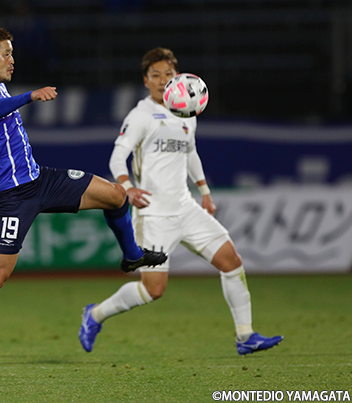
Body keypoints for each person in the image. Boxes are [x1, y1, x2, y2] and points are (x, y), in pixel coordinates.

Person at [0, 27, 167, 378]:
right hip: (10, 197)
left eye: (12, 53)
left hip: (41, 179)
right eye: (6, 54)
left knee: (116, 195)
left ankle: (132, 255)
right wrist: (29, 96)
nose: (12, 60)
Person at [78, 47, 283, 356]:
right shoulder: (140, 115)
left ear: (177, 77)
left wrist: (204, 191)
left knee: (231, 262)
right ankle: (95, 315)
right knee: (153, 289)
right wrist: (127, 188)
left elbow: (190, 152)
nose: (163, 80)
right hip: (154, 215)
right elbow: (118, 156)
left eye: (168, 74)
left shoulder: (187, 111)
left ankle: (246, 336)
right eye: (156, 75)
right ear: (146, 80)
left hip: (186, 208)